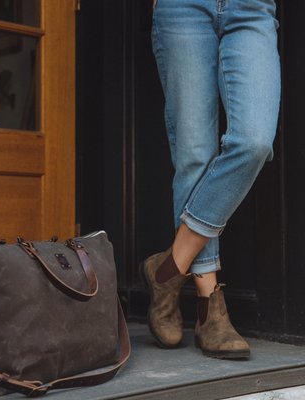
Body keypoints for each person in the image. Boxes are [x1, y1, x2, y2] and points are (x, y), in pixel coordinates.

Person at [142, 0, 281, 359]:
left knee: (254, 142)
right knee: (194, 156)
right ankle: (209, 306)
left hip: (251, 8)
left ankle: (169, 268)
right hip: (182, 8)